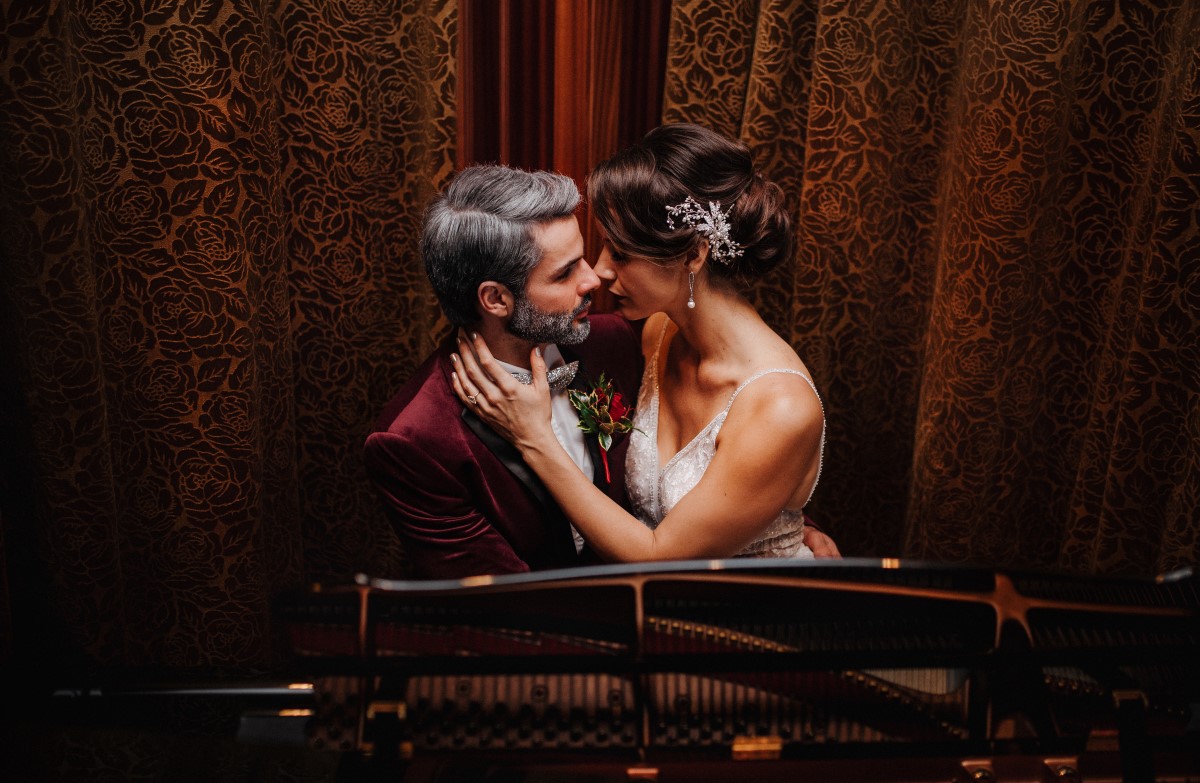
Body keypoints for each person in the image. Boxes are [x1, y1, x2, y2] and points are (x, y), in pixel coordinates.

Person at [451, 123, 839, 562]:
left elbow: (661, 554)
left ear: (693, 255)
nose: (599, 272)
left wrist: (533, 437)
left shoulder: (781, 408)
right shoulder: (659, 331)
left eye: (620, 253)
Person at [364, 165, 643, 579]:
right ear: (495, 299)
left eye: (582, 259)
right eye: (565, 272)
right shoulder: (413, 442)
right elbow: (500, 604)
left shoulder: (615, 342)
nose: (593, 279)